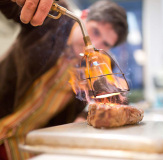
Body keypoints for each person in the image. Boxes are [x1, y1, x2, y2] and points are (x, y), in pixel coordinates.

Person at [0, 0, 128, 159]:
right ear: (84, 15)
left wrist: (85, 114)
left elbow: (118, 99)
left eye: (105, 43)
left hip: (29, 148)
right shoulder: (52, 19)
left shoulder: (97, 66)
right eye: (95, 32)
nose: (95, 44)